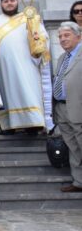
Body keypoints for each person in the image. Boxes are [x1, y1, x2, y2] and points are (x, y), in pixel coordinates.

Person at [0, 0, 51, 132]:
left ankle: (33, 124)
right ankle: (9, 126)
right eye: (6, 1)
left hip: (27, 64)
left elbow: (44, 38)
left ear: (17, 1)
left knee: (29, 91)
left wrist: (38, 44)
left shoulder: (30, 18)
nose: (9, 4)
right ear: (1, 4)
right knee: (8, 95)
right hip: (4, 67)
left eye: (12, 1)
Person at [52, 22, 82, 193]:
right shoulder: (62, 58)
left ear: (78, 36)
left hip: (78, 107)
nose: (62, 39)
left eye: (66, 35)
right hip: (62, 109)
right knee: (73, 146)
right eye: (60, 36)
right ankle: (79, 181)